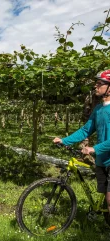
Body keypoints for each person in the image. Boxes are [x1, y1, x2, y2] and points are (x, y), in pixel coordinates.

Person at [53, 69, 110, 216]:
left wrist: (94, 148)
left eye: (100, 84)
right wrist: (64, 140)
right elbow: (86, 130)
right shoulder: (98, 109)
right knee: (104, 195)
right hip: (102, 160)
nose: (96, 87)